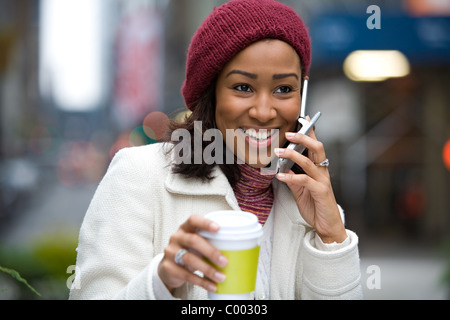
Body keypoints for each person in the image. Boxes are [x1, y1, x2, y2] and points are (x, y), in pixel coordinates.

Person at [69, 0, 363, 300]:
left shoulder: (310, 205)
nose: (264, 112)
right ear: (212, 94)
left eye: (284, 89)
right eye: (243, 87)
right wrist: (160, 282)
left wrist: (331, 238)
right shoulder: (138, 175)